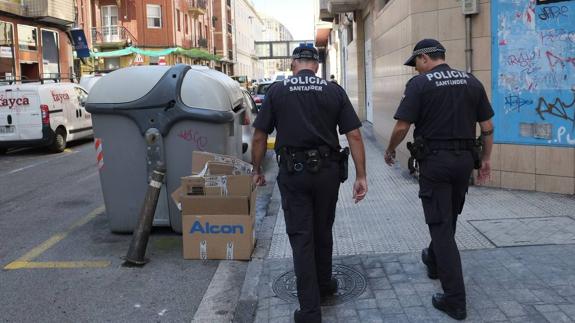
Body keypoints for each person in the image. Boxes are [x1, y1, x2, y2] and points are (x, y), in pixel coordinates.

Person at [251, 44, 368, 323]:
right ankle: (325, 285)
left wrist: (256, 169)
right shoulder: (333, 90)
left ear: (294, 63)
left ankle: (310, 311)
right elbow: (353, 135)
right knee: (323, 229)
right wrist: (361, 175)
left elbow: (258, 136)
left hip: (294, 173)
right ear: (315, 65)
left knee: (302, 237)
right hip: (327, 172)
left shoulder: (278, 91)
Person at [384, 39, 494, 321]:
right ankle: (433, 259)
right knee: (449, 217)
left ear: (424, 58)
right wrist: (487, 159)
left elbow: (402, 125)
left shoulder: (420, 85)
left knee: (441, 226)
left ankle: (455, 300)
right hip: (464, 162)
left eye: (415, 65)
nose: (415, 71)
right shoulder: (471, 81)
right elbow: (488, 127)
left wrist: (390, 149)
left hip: (436, 162)